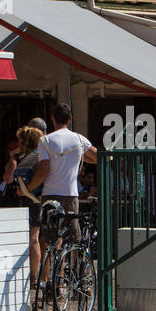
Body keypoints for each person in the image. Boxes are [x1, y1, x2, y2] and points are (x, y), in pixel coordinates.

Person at [28, 104, 97, 252]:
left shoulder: (45, 141)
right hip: (71, 195)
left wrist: (28, 189)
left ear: (52, 119)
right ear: (70, 119)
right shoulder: (79, 139)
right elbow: (97, 157)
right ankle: (72, 271)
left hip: (50, 195)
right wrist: (78, 157)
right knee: (73, 239)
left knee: (50, 240)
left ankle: (53, 273)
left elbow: (43, 171)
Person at [12, 125, 46, 279]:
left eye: (20, 141)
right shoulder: (40, 156)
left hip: (32, 201)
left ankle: (33, 276)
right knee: (39, 239)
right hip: (39, 199)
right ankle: (42, 277)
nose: (18, 145)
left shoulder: (29, 158)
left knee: (33, 238)